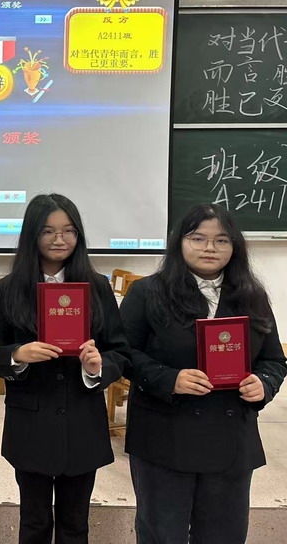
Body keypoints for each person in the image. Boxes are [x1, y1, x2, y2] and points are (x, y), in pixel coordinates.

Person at [120, 203, 286, 544]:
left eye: (221, 240)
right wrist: (169, 379)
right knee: (162, 534)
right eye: (198, 238)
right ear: (179, 242)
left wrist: (264, 384)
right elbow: (123, 354)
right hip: (164, 435)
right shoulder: (148, 292)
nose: (210, 247)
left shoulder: (251, 296)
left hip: (230, 439)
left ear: (234, 246)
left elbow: (274, 360)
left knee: (224, 535)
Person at [0, 193, 131, 544]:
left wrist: (97, 367)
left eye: (68, 231)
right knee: (33, 523)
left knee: (75, 524)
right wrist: (18, 354)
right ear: (32, 235)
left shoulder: (97, 287)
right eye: (48, 231)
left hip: (82, 421)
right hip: (30, 423)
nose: (59, 239)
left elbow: (120, 351)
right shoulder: (7, 290)